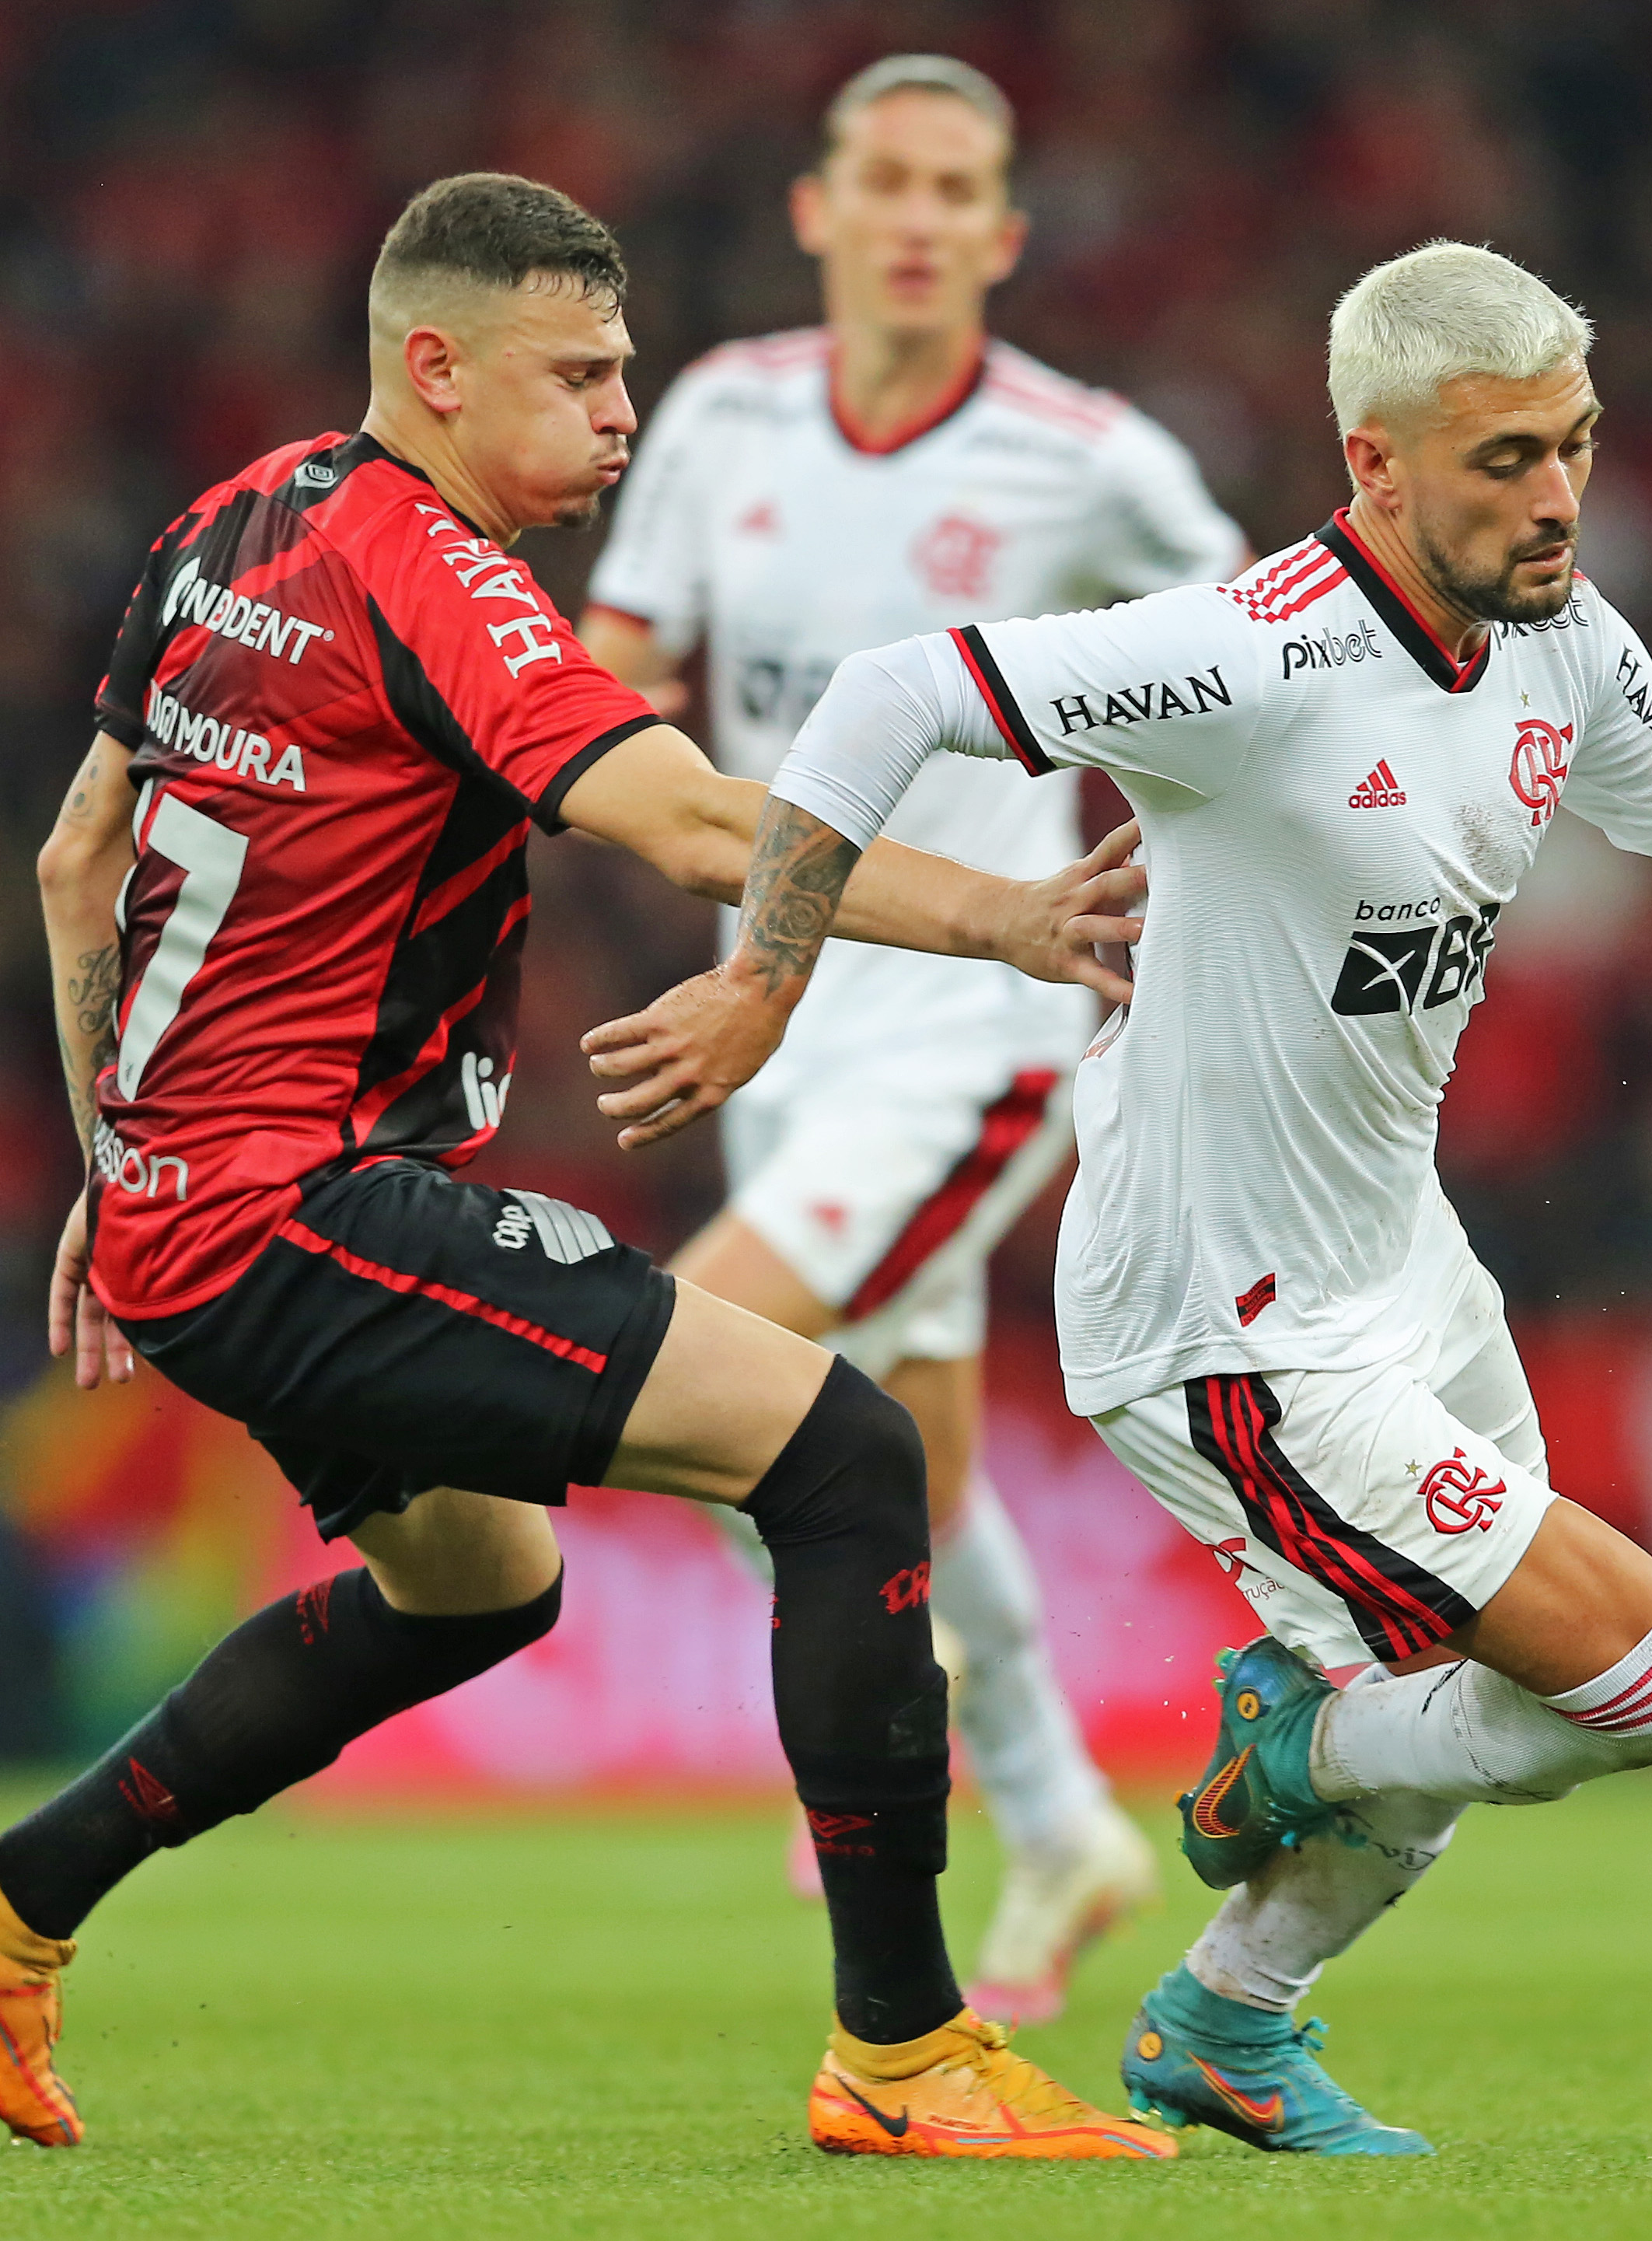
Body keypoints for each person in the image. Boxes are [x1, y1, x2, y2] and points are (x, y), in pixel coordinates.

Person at [585, 240, 1652, 2155]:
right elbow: (885, 693)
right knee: (1642, 1679)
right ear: (1371, 467)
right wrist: (764, 981)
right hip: (1225, 1330)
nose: (1556, 496)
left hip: (1401, 1267)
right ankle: (1298, 1739)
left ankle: (1226, 2019)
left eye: (1575, 446)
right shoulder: (1254, 656)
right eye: (1503, 459)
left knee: (1475, 1689)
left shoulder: (1563, 642)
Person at [0, 170, 1175, 2162]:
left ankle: (3, 1906)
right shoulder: (437, 574)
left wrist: (119, 1149)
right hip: (303, 1208)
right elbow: (708, 825)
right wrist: (1009, 920)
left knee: (475, 1585)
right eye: (577, 375)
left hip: (199, 1202)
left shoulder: (228, 519)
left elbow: (74, 868)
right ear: (438, 367)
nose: (621, 414)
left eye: (631, 371)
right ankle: (905, 2055)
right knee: (839, 1456)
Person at [578, 54, 1245, 2022]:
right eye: (885, 178)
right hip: (764, 1016)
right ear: (816, 207)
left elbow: (1256, 656)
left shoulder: (1084, 458)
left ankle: (899, 1717)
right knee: (908, 1464)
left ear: (1004, 236)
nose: (918, 216)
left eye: (958, 188)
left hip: (976, 1024)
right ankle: (1058, 1820)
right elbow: (618, 659)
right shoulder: (715, 414)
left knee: (690, 1371)